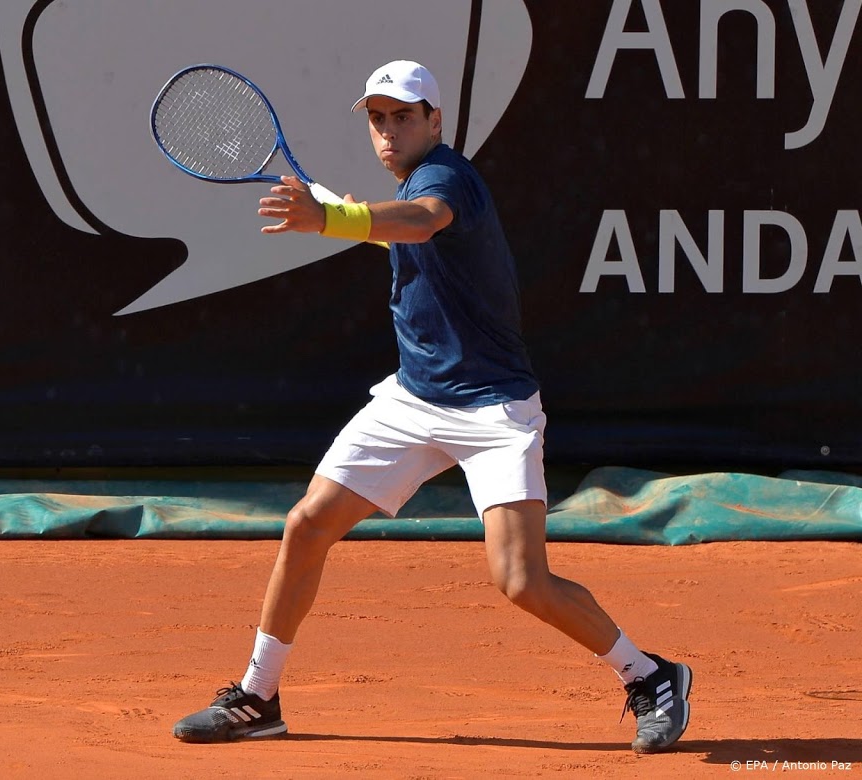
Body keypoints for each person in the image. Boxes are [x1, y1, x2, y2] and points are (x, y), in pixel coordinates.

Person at [172, 60, 692, 755]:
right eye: (378, 119)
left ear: (435, 122)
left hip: (493, 410)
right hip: (413, 399)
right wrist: (350, 217)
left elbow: (420, 221)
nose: (389, 131)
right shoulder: (409, 182)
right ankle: (258, 697)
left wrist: (330, 216)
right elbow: (397, 229)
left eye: (404, 117)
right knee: (307, 525)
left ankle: (651, 675)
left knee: (521, 580)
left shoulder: (446, 178)